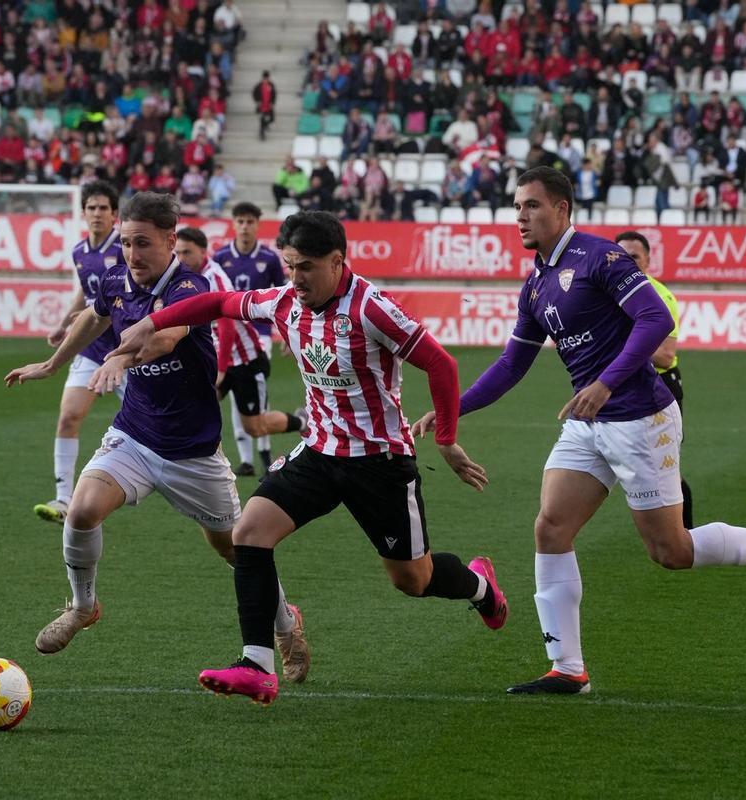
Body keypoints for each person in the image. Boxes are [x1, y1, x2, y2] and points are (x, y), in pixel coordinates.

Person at [412, 167, 746, 696]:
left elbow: (655, 319)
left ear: (562, 209)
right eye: (516, 207)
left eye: (531, 205)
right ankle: (567, 669)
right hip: (588, 423)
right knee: (551, 529)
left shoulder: (600, 257)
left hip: (641, 418)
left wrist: (605, 383)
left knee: (671, 552)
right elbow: (511, 364)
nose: (520, 217)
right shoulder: (536, 283)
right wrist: (452, 409)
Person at [108, 210, 506, 705]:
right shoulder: (283, 302)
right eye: (290, 266)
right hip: (319, 452)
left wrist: (446, 440)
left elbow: (441, 364)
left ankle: (480, 588)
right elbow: (217, 303)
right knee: (248, 533)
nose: (295, 279)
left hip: (379, 462)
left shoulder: (372, 308)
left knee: (413, 579)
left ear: (337, 262)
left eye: (306, 268)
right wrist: (153, 321)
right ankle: (257, 664)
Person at [3, 192, 310, 681]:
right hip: (136, 435)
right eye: (126, 243)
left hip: (193, 453)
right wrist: (53, 363)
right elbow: (95, 315)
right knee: (81, 511)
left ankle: (286, 624)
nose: (132, 254)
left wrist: (121, 358)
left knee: (236, 550)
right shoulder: (115, 279)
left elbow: (166, 337)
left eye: (142, 243)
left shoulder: (190, 286)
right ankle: (83, 606)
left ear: (170, 239)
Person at [33, 181, 127, 525]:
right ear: (83, 212)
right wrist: (64, 324)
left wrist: (94, 313)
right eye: (92, 208)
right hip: (91, 346)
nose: (97, 213)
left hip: (127, 351)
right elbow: (85, 292)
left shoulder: (126, 248)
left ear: (115, 214)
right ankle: (63, 497)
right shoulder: (79, 251)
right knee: (69, 417)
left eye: (103, 208)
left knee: (153, 421)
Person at [174, 226, 307, 444]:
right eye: (178, 253)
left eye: (186, 252)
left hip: (245, 360)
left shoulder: (212, 278)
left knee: (255, 427)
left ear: (203, 251)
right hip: (220, 357)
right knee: (194, 408)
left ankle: (302, 422)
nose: (181, 258)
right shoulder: (188, 277)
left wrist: (221, 369)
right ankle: (199, 456)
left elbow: (227, 326)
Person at [615, 231, 694, 529]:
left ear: (648, 261)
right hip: (621, 386)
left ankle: (685, 534)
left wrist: (620, 347)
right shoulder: (605, 293)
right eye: (621, 256)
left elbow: (665, 356)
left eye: (634, 256)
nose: (628, 261)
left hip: (659, 387)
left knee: (667, 470)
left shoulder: (661, 297)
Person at [212, 202, 288, 476]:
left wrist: (287, 333)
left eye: (249, 221)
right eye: (240, 221)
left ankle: (264, 451)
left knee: (256, 392)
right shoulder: (221, 257)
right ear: (234, 224)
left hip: (260, 336)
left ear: (257, 224)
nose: (245, 227)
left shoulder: (269, 258)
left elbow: (284, 296)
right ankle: (246, 459)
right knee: (237, 396)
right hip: (228, 336)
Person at [252, 70, 276, 141]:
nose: (266, 80)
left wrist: (272, 103)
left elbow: (274, 95)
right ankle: (262, 134)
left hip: (269, 105)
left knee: (272, 119)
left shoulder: (271, 85)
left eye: (267, 78)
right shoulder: (259, 86)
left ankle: (265, 125)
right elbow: (254, 93)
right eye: (265, 79)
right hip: (261, 106)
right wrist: (257, 101)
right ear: (262, 78)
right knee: (262, 120)